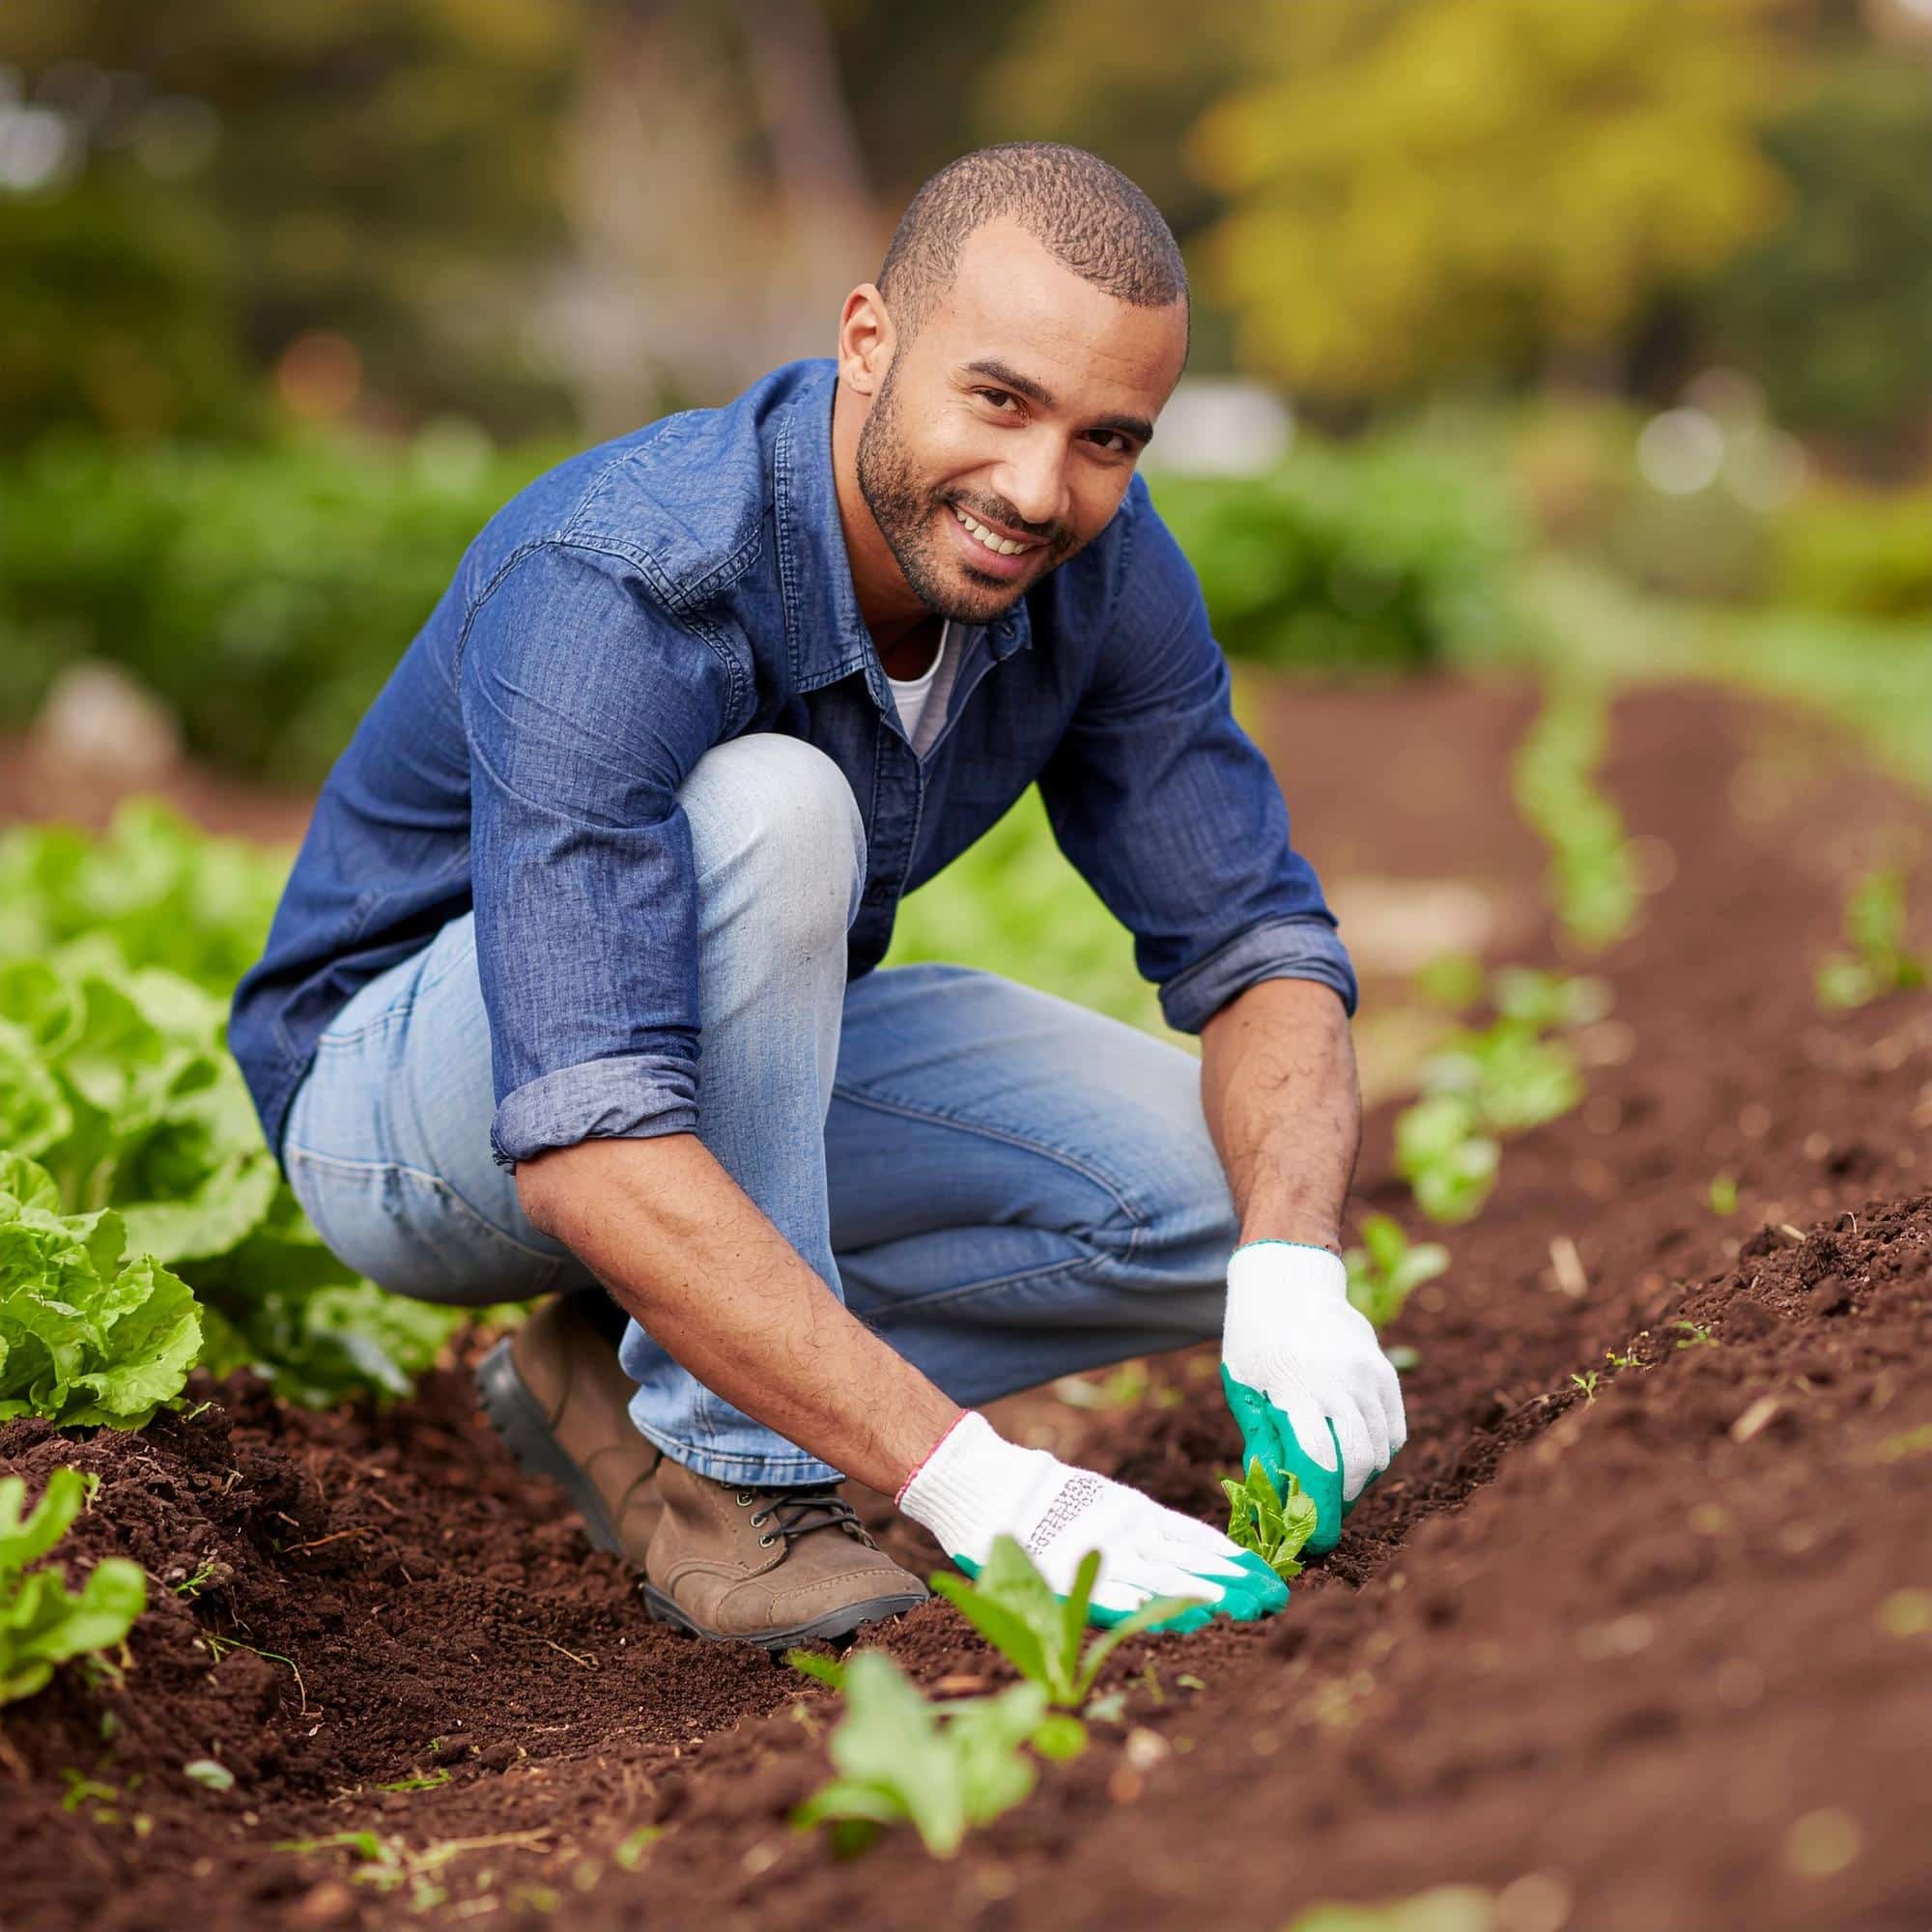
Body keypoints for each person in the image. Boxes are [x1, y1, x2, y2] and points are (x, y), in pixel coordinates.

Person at [231, 143, 1406, 1648]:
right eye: (1000, 399)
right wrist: (984, 1484)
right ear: (867, 339)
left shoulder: (1101, 573)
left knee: (1210, 1198)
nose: (1040, 490)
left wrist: (1294, 1268)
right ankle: (742, 1487)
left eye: (1109, 438)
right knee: (781, 804)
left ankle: (625, 1363)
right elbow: (584, 1135)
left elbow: (1258, 945)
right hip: (414, 1110)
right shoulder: (631, 573)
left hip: (683, 1095)